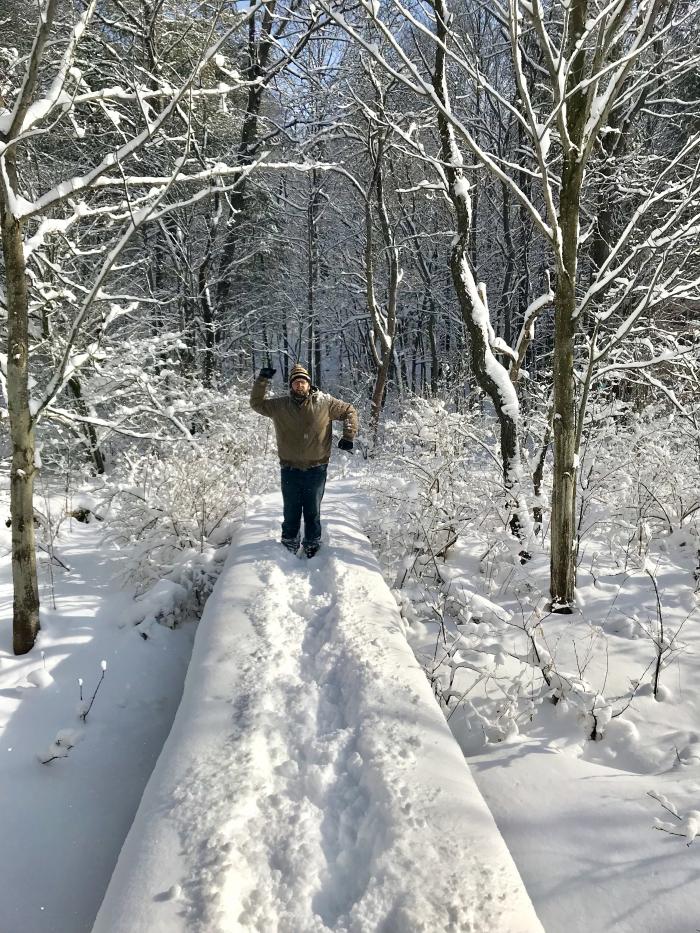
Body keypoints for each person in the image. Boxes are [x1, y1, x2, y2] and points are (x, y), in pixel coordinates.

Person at [250, 363, 358, 558]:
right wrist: (263, 380)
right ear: (291, 385)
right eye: (296, 382)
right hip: (289, 468)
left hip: (316, 468)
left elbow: (349, 410)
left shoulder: (325, 403)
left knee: (312, 511)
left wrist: (348, 435)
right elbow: (257, 404)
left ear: (309, 384)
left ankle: (312, 543)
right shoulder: (280, 405)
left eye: (303, 382)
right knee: (290, 509)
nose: (300, 385)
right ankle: (289, 542)